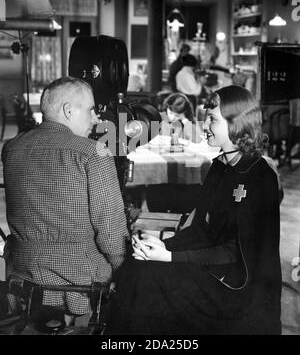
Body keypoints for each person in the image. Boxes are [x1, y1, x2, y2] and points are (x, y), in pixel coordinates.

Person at [107, 85, 282, 335]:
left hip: (236, 292)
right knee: (136, 266)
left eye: (212, 119)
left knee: (149, 280)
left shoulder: (260, 177)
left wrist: (170, 257)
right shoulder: (221, 166)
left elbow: (235, 253)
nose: (204, 126)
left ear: (237, 124)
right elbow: (200, 228)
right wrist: (161, 246)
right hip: (214, 270)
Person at [2, 76, 129, 325]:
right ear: (69, 111)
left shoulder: (11, 148)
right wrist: (125, 268)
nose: (96, 119)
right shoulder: (93, 152)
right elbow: (110, 232)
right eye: (91, 110)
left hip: (21, 275)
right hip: (79, 281)